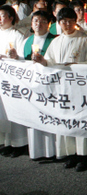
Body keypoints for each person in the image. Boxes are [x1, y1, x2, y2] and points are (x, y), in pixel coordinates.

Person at [39, 7, 87, 172]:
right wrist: (42, 61)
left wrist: (75, 66)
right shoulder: (56, 41)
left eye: (70, 20)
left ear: (75, 21)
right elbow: (50, 61)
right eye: (63, 21)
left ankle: (85, 156)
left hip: (81, 87)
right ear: (59, 23)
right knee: (65, 120)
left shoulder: (86, 40)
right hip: (62, 89)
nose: (67, 24)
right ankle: (71, 154)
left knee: (82, 120)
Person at [23, 10, 57, 160]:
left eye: (43, 21)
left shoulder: (55, 40)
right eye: (36, 21)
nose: (39, 24)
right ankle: (37, 151)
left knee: (49, 116)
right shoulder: (26, 41)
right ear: (31, 24)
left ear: (49, 24)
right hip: (31, 85)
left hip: (50, 85)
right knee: (34, 117)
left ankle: (53, 151)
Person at [0, 5, 27, 158]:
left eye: (2, 15)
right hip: (0, 79)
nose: (0, 19)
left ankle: (19, 143)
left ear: (11, 18)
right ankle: (6, 142)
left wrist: (14, 57)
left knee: (14, 110)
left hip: (12, 80)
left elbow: (22, 57)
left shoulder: (17, 35)